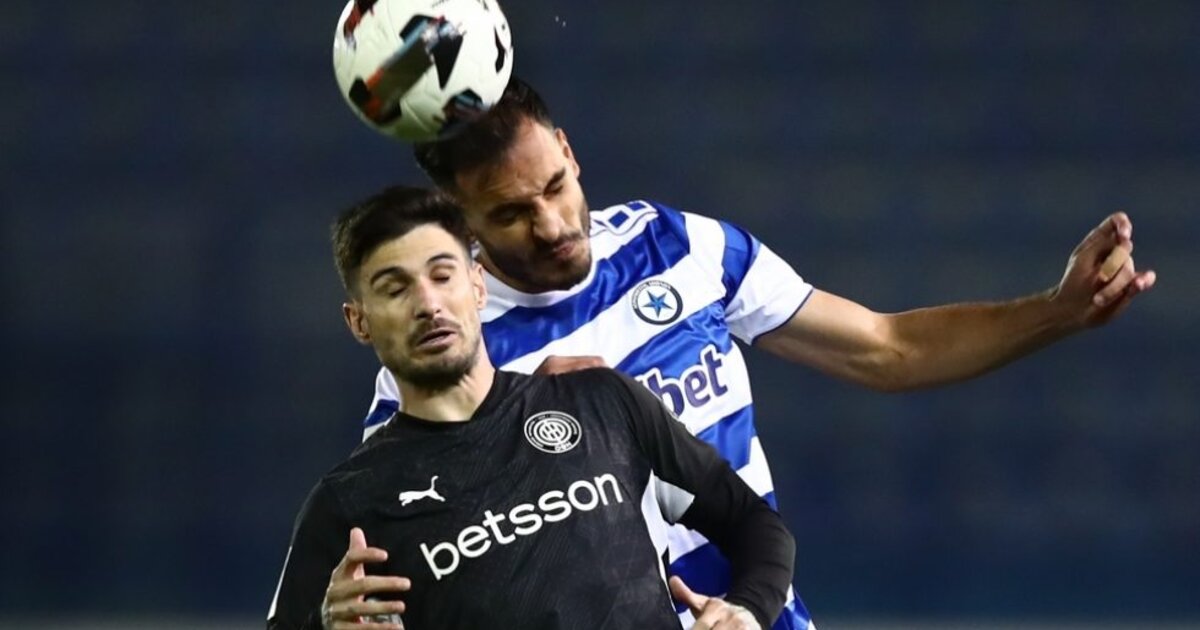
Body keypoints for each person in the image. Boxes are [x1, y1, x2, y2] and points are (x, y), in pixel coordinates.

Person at [360, 78, 1157, 629]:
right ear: (458, 220)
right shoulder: (444, 358)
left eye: (556, 186)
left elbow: (887, 349)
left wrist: (1058, 312)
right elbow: (410, 570)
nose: (553, 225)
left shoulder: (679, 247)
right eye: (510, 214)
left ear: (568, 150)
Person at [267, 187, 796, 630]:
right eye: (394, 288)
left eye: (443, 275)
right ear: (358, 321)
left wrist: (746, 611)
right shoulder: (350, 502)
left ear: (477, 286)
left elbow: (754, 524)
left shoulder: (601, 403)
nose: (428, 304)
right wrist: (322, 626)